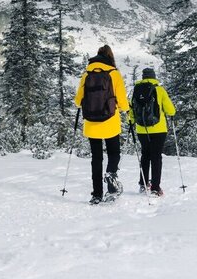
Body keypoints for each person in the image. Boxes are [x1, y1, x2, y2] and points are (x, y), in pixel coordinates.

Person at [73, 45, 129, 203]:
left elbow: (78, 100)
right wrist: (126, 110)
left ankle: (96, 194)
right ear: (110, 57)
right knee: (113, 153)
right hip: (110, 122)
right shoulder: (114, 73)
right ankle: (111, 177)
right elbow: (122, 101)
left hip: (91, 123)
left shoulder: (87, 73)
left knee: (96, 158)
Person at [131, 67, 176, 197]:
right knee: (156, 157)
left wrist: (132, 121)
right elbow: (170, 110)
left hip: (141, 128)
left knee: (145, 155)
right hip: (159, 129)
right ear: (154, 77)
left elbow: (132, 108)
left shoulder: (136, 90)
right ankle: (155, 188)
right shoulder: (159, 90)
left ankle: (143, 184)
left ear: (143, 77)